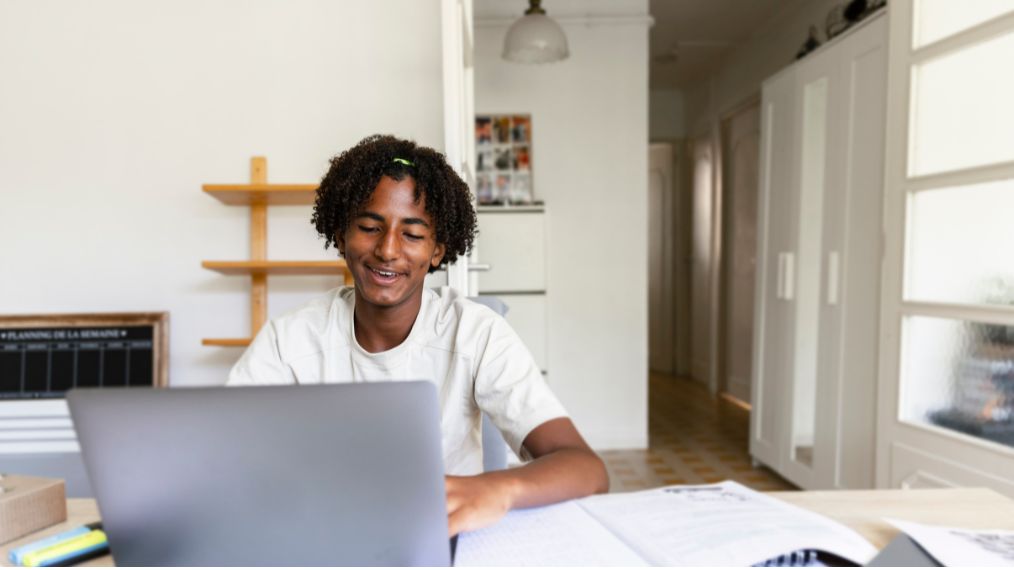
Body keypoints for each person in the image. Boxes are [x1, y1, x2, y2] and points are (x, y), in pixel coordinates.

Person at [228, 134, 608, 536]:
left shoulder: (476, 333)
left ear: (437, 250)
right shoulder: (289, 340)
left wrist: (495, 489)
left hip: (442, 536)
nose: (388, 250)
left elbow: (586, 469)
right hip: (323, 533)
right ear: (341, 237)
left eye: (412, 234)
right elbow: (226, 456)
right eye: (370, 227)